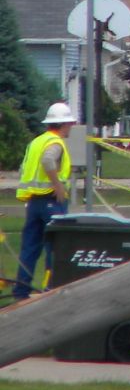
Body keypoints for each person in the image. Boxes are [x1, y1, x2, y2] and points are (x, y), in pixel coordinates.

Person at [12, 102, 77, 301]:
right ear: (63, 124)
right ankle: (52, 290)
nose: (71, 127)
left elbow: (25, 169)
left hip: (34, 203)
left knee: (30, 249)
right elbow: (48, 161)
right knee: (56, 248)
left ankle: (21, 292)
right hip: (51, 201)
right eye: (70, 124)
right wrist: (58, 185)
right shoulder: (55, 143)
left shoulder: (37, 142)